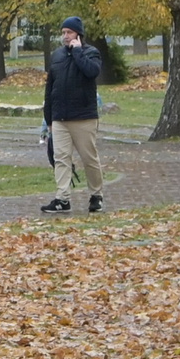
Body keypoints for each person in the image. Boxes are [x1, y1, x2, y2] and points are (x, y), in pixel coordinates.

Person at [41, 15, 107, 213]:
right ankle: (62, 198)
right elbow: (50, 86)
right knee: (61, 158)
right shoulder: (57, 56)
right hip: (60, 117)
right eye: (63, 32)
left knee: (89, 158)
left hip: (83, 117)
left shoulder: (91, 53)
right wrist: (49, 117)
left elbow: (91, 72)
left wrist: (77, 52)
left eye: (69, 32)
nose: (65, 36)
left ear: (78, 34)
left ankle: (96, 195)